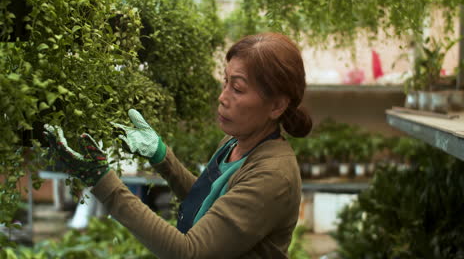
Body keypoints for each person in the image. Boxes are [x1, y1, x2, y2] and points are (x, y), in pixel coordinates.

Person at [43, 32, 312, 259]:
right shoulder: (235, 142)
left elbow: (189, 252)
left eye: (238, 89)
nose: (222, 97)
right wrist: (162, 157)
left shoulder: (273, 175)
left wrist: (103, 183)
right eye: (225, 82)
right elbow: (206, 204)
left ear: (277, 105)